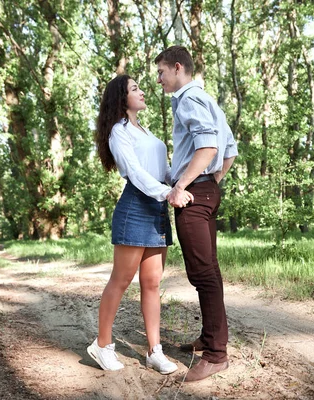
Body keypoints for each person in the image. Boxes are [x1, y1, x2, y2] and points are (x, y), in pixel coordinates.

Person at [87, 74, 192, 374]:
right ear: (122, 98)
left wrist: (180, 183)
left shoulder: (143, 130)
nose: (143, 91)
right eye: (135, 89)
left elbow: (162, 170)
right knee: (120, 281)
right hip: (136, 206)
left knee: (152, 283)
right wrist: (167, 192)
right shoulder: (119, 132)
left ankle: (154, 352)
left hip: (158, 206)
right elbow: (134, 172)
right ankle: (102, 344)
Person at [154, 46, 238, 382]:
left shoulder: (189, 99)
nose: (159, 79)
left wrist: (183, 185)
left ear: (178, 68)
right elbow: (229, 150)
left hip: (193, 195)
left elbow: (209, 148)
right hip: (206, 191)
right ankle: (209, 338)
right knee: (208, 271)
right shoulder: (208, 100)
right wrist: (212, 181)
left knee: (202, 274)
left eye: (161, 72)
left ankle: (217, 355)